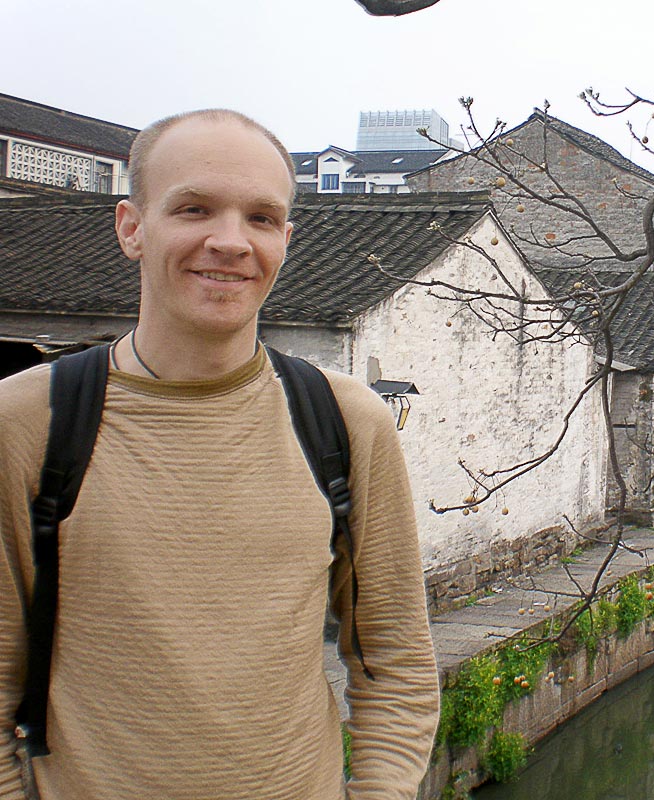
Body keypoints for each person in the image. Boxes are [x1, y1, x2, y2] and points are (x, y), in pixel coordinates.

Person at [0, 110, 439, 799]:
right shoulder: (28, 422)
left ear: (286, 240)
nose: (230, 242)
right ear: (132, 227)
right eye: (195, 208)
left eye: (262, 218)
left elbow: (397, 661)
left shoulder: (346, 423)